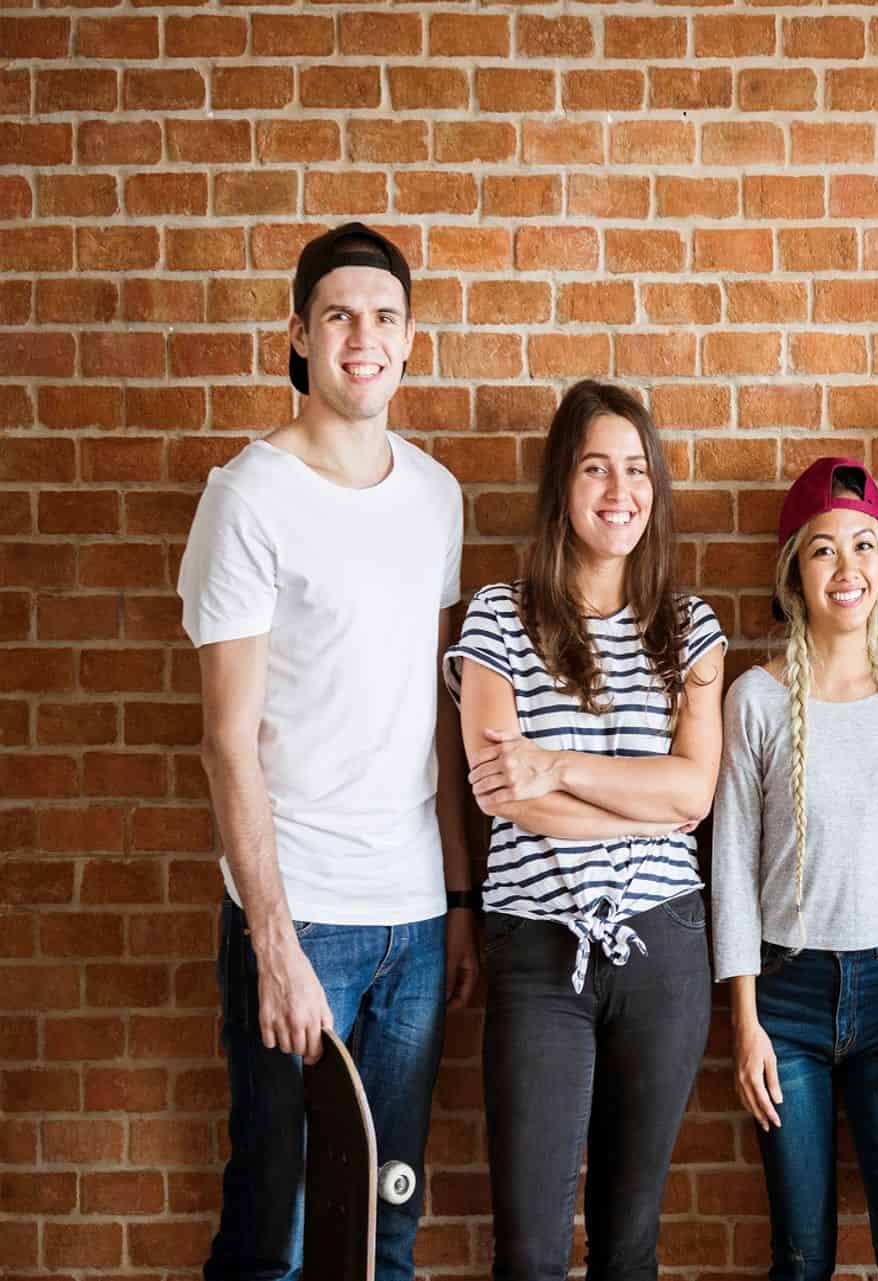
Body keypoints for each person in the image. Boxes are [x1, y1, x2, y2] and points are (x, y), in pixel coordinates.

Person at [180, 222, 473, 1281]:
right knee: (278, 1227)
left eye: (386, 318)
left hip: (409, 926)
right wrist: (272, 942)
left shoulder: (436, 498)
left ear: (409, 341)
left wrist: (455, 901)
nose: (365, 338)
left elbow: (429, 717)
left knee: (386, 1221)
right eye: (340, 316)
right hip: (301, 916)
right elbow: (224, 741)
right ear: (299, 335)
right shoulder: (250, 496)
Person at [442, 379, 725, 1281]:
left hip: (665, 950)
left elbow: (693, 794)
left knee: (628, 1241)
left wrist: (558, 765)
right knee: (528, 1247)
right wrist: (631, 799)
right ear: (562, 483)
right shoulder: (498, 615)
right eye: (597, 467)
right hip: (537, 950)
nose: (619, 490)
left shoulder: (689, 628)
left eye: (637, 470)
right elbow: (498, 793)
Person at [710, 457, 878, 1281]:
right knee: (801, 1255)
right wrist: (746, 1023)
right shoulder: (755, 701)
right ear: (793, 573)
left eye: (865, 546)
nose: (848, 570)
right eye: (824, 551)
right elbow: (731, 867)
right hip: (786, 1003)